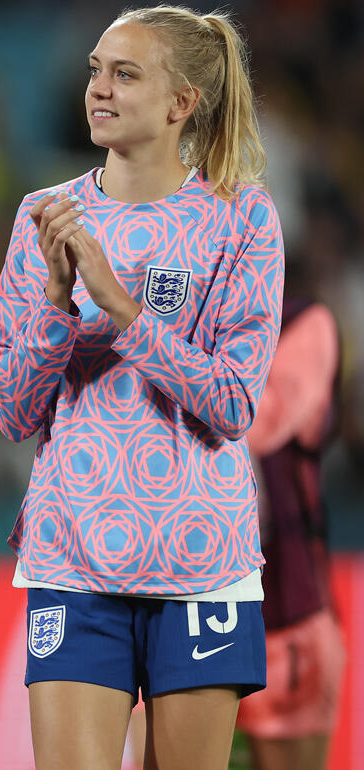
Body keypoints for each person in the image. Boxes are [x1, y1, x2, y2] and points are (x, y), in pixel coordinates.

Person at [0, 7, 284, 770]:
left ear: (182, 102)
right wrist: (55, 307)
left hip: (201, 558)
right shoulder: (41, 218)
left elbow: (233, 403)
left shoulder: (240, 216)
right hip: (72, 557)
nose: (98, 89)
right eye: (93, 70)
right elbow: (11, 411)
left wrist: (121, 308)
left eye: (124, 73)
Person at [235, 287, 344, 770]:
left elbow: (249, 418)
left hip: (289, 618)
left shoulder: (305, 323)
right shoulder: (168, 323)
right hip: (185, 612)